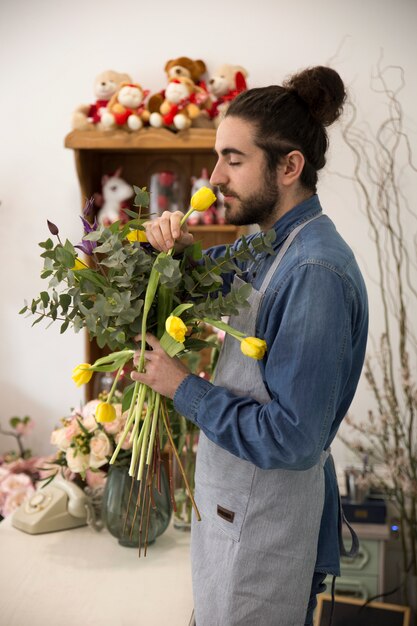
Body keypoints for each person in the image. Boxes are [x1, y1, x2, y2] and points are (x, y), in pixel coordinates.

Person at [133, 66, 369, 626]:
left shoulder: (314, 271)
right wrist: (163, 251)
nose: (214, 178)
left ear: (290, 167)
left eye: (233, 160)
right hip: (236, 511)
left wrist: (183, 388)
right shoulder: (265, 244)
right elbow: (190, 286)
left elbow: (292, 439)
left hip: (264, 530)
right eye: (218, 158)